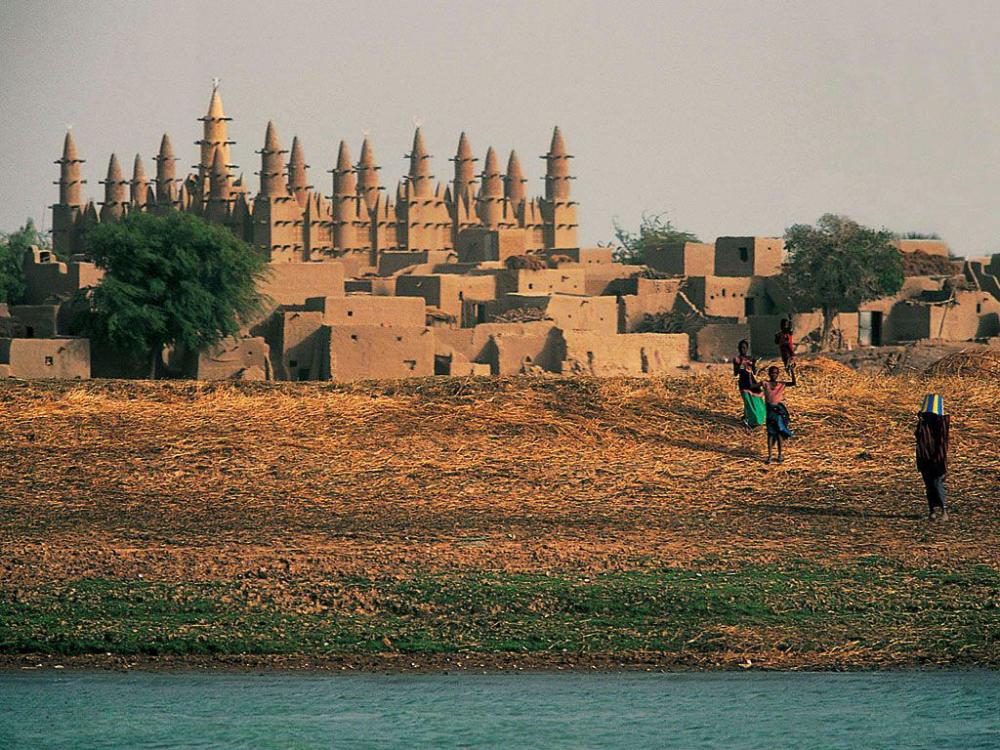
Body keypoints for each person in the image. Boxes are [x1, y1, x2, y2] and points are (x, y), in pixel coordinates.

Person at [915, 394, 950, 521]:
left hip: (937, 461)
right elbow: (919, 437)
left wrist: (938, 461)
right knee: (929, 486)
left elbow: (941, 444)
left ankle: (944, 511)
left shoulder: (941, 426)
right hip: (925, 460)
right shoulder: (923, 425)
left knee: (937, 484)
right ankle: (932, 511)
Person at [761, 364, 796, 464]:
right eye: (772, 372)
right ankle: (770, 456)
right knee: (771, 434)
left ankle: (780, 455)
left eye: (776, 373)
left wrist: (792, 371)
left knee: (779, 433)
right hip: (769, 411)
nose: (774, 375)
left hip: (779, 411)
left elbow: (793, 383)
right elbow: (752, 386)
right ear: (768, 373)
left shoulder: (781, 384)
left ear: (778, 374)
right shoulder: (765, 383)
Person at [733, 340, 765, 429]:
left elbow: (754, 372)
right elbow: (735, 373)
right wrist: (740, 366)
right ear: (738, 349)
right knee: (747, 401)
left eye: (744, 347)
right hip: (743, 383)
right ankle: (750, 420)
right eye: (741, 348)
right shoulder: (737, 359)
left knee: (757, 400)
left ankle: (756, 418)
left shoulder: (750, 358)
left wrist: (754, 364)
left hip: (752, 382)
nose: (742, 349)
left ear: (747, 349)